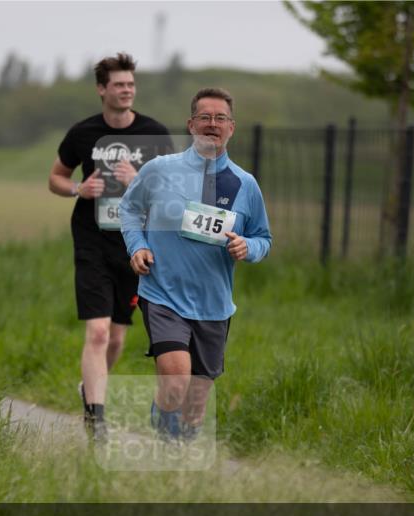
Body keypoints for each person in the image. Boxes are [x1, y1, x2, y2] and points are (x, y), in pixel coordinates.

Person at [119, 88, 271, 441]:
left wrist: (248, 246)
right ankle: (166, 440)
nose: (212, 124)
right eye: (205, 117)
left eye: (220, 118)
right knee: (176, 379)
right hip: (163, 292)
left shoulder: (245, 184)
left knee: (196, 404)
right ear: (191, 124)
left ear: (231, 127)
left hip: (213, 303)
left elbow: (264, 238)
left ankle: (181, 447)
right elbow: (129, 208)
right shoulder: (160, 169)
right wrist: (137, 246)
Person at [48, 53, 170, 442]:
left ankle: (89, 387)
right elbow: (55, 177)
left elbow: (173, 194)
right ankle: (95, 418)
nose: (127, 90)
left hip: (135, 246)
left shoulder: (154, 134)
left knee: (116, 338)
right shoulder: (83, 133)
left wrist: (140, 181)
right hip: (92, 241)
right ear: (102, 89)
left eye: (131, 84)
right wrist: (78, 189)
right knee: (98, 333)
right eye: (119, 84)